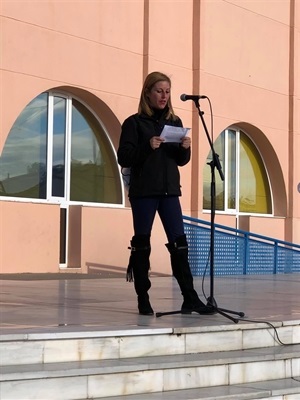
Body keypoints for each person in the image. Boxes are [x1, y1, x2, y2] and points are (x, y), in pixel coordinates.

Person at [117, 71, 213, 316]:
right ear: (147, 92)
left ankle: (189, 298)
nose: (164, 96)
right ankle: (143, 298)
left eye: (167, 91)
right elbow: (124, 157)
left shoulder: (175, 123)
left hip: (170, 191)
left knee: (180, 244)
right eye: (159, 91)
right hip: (144, 191)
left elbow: (180, 161)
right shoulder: (134, 123)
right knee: (142, 244)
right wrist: (147, 146)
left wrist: (185, 149)